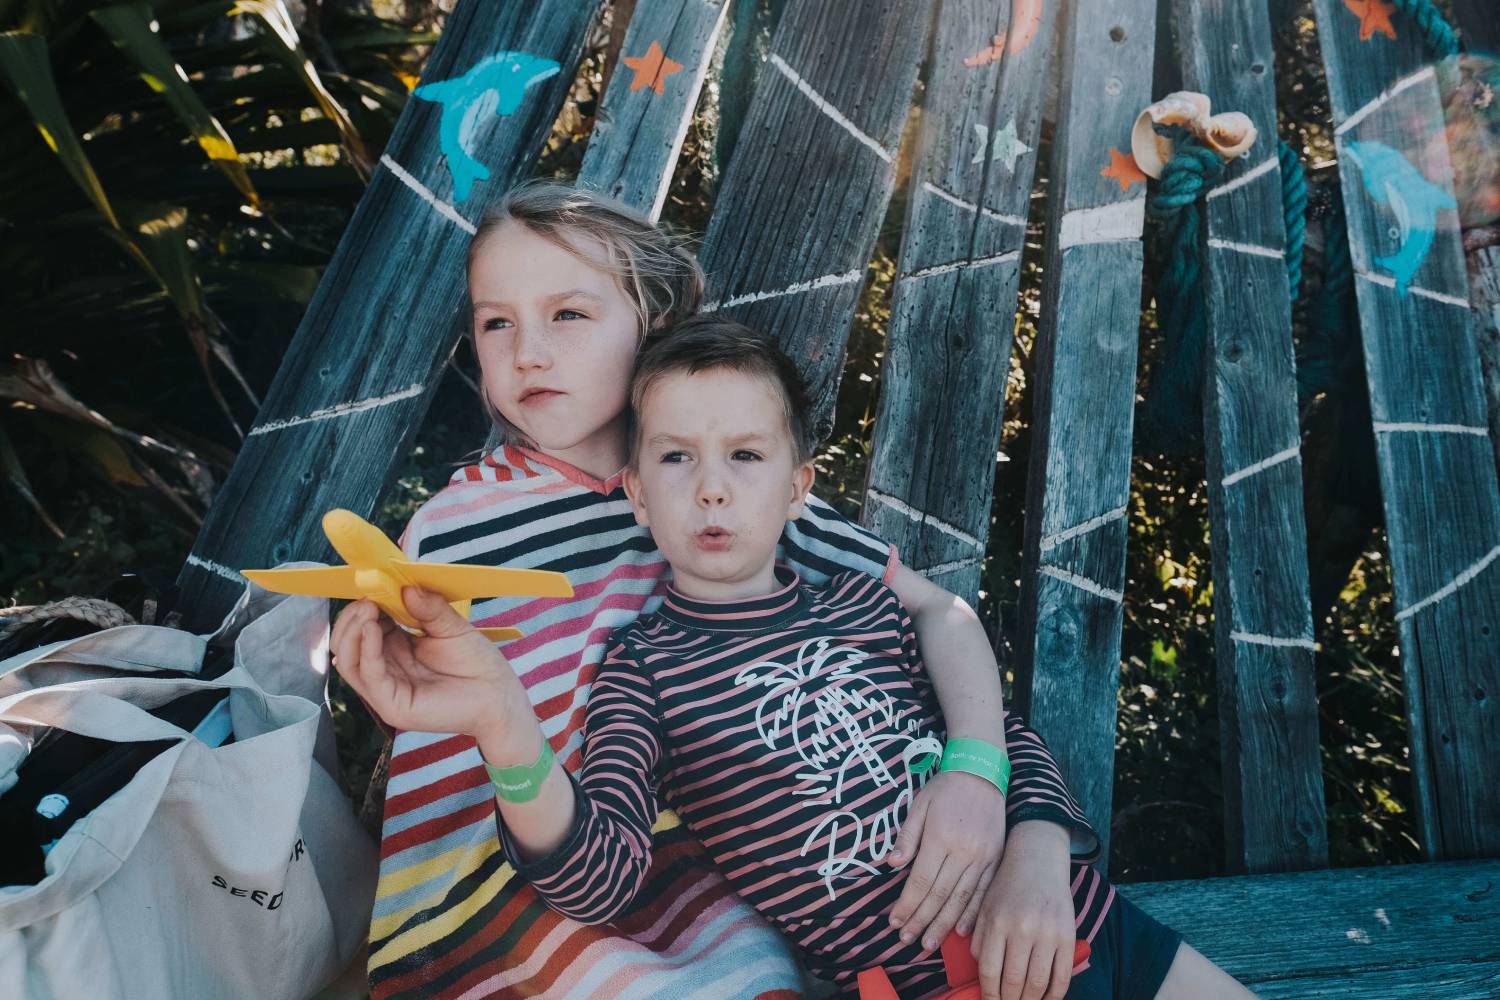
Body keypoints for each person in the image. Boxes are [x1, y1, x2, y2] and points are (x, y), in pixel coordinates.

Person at [342, 182, 1110, 1000]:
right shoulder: (456, 528)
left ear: (651, 322)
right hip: (514, 888)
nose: (527, 351)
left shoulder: (727, 485)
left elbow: (931, 612)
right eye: (497, 322)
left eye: (567, 314)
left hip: (705, 911)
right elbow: (444, 747)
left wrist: (978, 770)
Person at [402, 317, 1252, 999]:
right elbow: (601, 878)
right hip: (935, 984)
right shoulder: (645, 670)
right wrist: (503, 728)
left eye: (745, 454)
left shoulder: (857, 602)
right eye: (674, 457)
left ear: (797, 486)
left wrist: (1032, 845)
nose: (711, 487)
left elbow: (997, 730)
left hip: (1087, 919)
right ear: (635, 493)